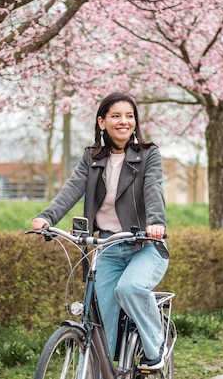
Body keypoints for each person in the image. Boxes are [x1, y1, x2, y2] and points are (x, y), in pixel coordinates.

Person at [31, 91, 169, 370]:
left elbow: (153, 189)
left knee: (129, 288)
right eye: (116, 116)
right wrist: (47, 217)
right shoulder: (91, 158)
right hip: (106, 247)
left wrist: (156, 222)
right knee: (99, 323)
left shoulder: (148, 155)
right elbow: (71, 190)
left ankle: (157, 347)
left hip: (144, 246)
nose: (124, 122)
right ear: (102, 122)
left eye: (129, 116)